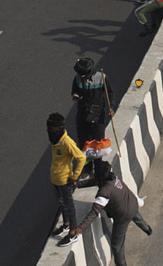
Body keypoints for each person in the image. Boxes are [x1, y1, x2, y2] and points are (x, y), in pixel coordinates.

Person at [62, 166, 152, 260]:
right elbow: (94, 181)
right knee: (137, 217)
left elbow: (94, 212)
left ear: (101, 178)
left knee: (117, 246)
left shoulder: (104, 193)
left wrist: (80, 228)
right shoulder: (113, 177)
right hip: (132, 203)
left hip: (123, 216)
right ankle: (148, 229)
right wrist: (77, 184)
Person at [70, 58, 115, 182]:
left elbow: (110, 94)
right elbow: (74, 90)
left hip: (97, 114)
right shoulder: (77, 79)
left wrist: (111, 107)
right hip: (83, 114)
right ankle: (87, 168)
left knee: (98, 144)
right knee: (84, 143)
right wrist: (75, 95)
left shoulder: (102, 78)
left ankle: (99, 170)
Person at [46, 112, 86, 240]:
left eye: (51, 129)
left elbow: (81, 158)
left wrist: (74, 177)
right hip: (55, 178)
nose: (49, 132)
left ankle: (73, 232)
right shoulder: (55, 141)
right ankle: (66, 224)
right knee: (61, 202)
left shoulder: (67, 143)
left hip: (65, 180)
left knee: (69, 205)